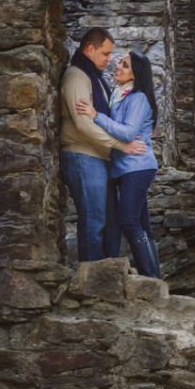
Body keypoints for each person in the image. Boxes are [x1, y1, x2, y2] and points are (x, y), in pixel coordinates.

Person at [59, 28, 145, 262]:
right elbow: (83, 125)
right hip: (83, 156)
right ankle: (91, 281)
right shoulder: (77, 76)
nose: (110, 60)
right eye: (105, 54)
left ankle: (108, 275)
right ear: (90, 49)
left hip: (99, 158)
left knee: (110, 221)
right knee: (94, 220)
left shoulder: (95, 78)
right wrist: (121, 145)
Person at [76, 50, 161, 279]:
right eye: (120, 63)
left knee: (129, 221)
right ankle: (156, 279)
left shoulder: (138, 98)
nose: (118, 67)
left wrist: (96, 115)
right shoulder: (120, 94)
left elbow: (128, 133)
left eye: (124, 65)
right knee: (142, 224)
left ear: (136, 74)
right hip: (125, 168)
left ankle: (150, 277)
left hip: (138, 167)